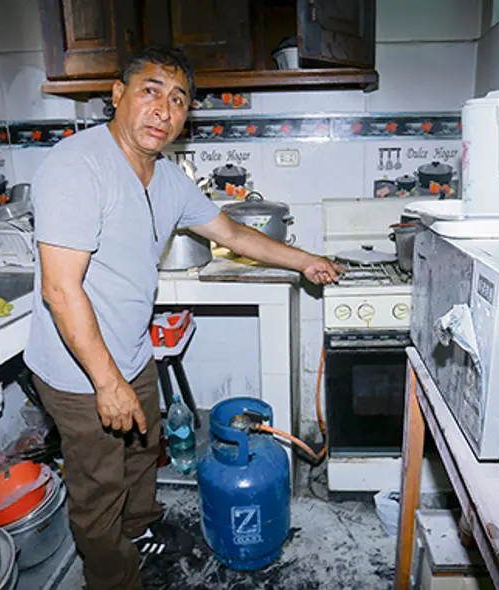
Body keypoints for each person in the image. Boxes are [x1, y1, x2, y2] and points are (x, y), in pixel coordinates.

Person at [24, 46, 343, 590]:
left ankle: (142, 529)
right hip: (79, 369)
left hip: (129, 350)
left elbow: (235, 235)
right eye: (149, 90)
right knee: (99, 486)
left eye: (177, 100)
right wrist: (106, 383)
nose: (163, 109)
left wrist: (305, 260)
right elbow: (60, 288)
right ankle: (114, 578)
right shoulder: (76, 166)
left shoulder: (167, 178)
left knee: (143, 452)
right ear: (117, 95)